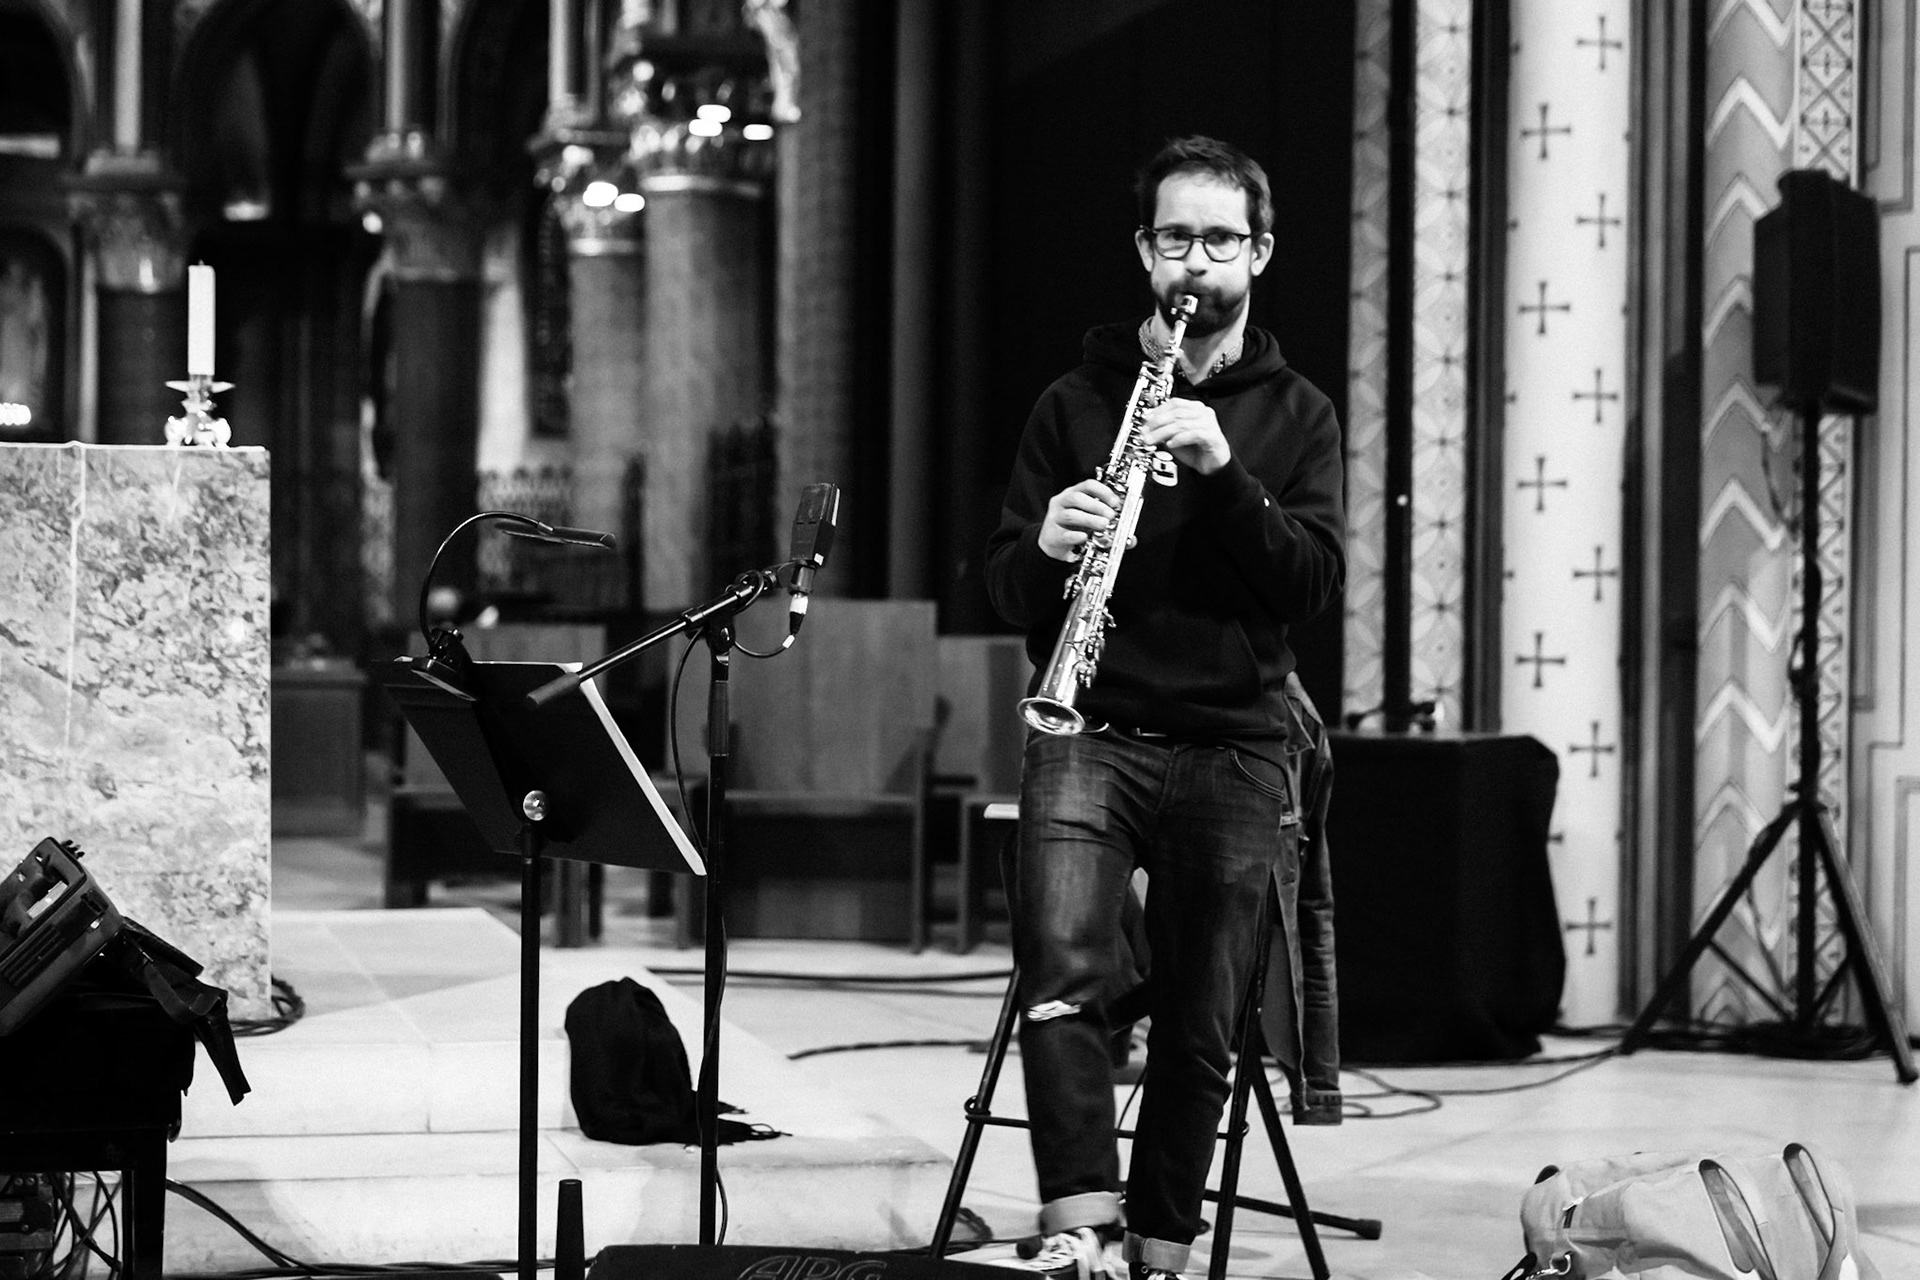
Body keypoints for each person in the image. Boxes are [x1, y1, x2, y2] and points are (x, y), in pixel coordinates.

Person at [983, 134, 1347, 1280]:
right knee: (1060, 977)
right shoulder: (1073, 401)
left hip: (1233, 746)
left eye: (1221, 240)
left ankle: (1162, 1247)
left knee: (1198, 1019)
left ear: (1262, 252)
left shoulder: (1297, 414)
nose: (1198, 262)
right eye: (1176, 238)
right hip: (1088, 731)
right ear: (1145, 250)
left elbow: (1311, 587)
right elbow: (999, 587)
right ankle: (1080, 1229)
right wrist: (1040, 546)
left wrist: (1230, 473)